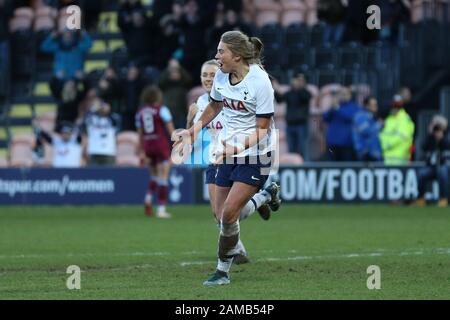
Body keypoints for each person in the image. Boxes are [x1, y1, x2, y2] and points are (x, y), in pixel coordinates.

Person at [174, 30, 281, 286]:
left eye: (221, 51)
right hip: (226, 152)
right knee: (221, 214)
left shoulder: (260, 82)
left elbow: (262, 129)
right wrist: (192, 130)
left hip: (254, 155)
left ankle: (222, 271)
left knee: (230, 214)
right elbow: (215, 106)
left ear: (236, 55)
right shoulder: (222, 75)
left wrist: (234, 149)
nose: (216, 56)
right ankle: (266, 196)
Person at [136, 85, 175, 219]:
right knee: (164, 176)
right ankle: (161, 209)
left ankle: (148, 198)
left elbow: (140, 133)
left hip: (148, 145)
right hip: (160, 144)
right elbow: (171, 130)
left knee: (154, 175)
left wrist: (141, 151)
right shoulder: (162, 110)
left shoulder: (140, 112)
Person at [413, 115, 450, 207]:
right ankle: (420, 199)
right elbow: (423, 146)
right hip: (433, 167)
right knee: (422, 173)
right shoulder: (431, 138)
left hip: (446, 166)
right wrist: (430, 134)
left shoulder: (447, 137)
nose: (437, 130)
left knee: (442, 172)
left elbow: (447, 145)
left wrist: (442, 138)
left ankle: (444, 199)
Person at [323, 87, 361, 161]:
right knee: (332, 165)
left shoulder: (354, 107)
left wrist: (337, 109)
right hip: (332, 142)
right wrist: (331, 108)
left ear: (350, 95)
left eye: (345, 94)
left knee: (345, 165)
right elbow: (325, 118)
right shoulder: (335, 106)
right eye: (341, 94)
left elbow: (350, 117)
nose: (343, 96)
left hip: (347, 143)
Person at [81, 98, 121, 166]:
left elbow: (117, 122)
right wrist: (93, 108)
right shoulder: (92, 118)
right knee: (92, 175)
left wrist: (108, 111)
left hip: (109, 153)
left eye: (105, 105)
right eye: (101, 105)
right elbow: (84, 120)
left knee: (110, 175)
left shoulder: (113, 118)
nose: (103, 107)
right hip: (93, 152)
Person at [379, 94, 415, 165]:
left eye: (398, 106)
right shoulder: (389, 119)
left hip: (400, 159)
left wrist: (386, 144)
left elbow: (401, 137)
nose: (395, 108)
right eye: (394, 106)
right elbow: (382, 134)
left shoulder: (405, 119)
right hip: (387, 159)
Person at [352, 96, 383, 162]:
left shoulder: (373, 116)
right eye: (373, 105)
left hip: (375, 153)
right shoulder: (360, 116)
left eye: (376, 104)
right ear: (367, 106)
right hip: (366, 154)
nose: (376, 107)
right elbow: (364, 131)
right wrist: (378, 125)